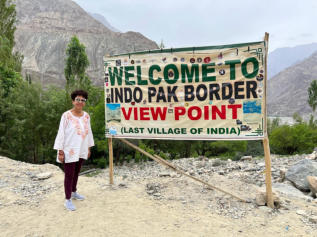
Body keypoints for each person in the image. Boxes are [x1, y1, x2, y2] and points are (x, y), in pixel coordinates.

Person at [54, 90, 94, 211]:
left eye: (83, 100)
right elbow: (61, 133)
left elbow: (89, 132)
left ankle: (74, 192)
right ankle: (67, 200)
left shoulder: (86, 116)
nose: (80, 102)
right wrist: (60, 151)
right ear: (73, 101)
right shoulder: (66, 116)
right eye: (78, 99)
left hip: (81, 149)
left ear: (85, 102)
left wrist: (88, 147)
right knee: (69, 174)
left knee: (76, 172)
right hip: (69, 150)